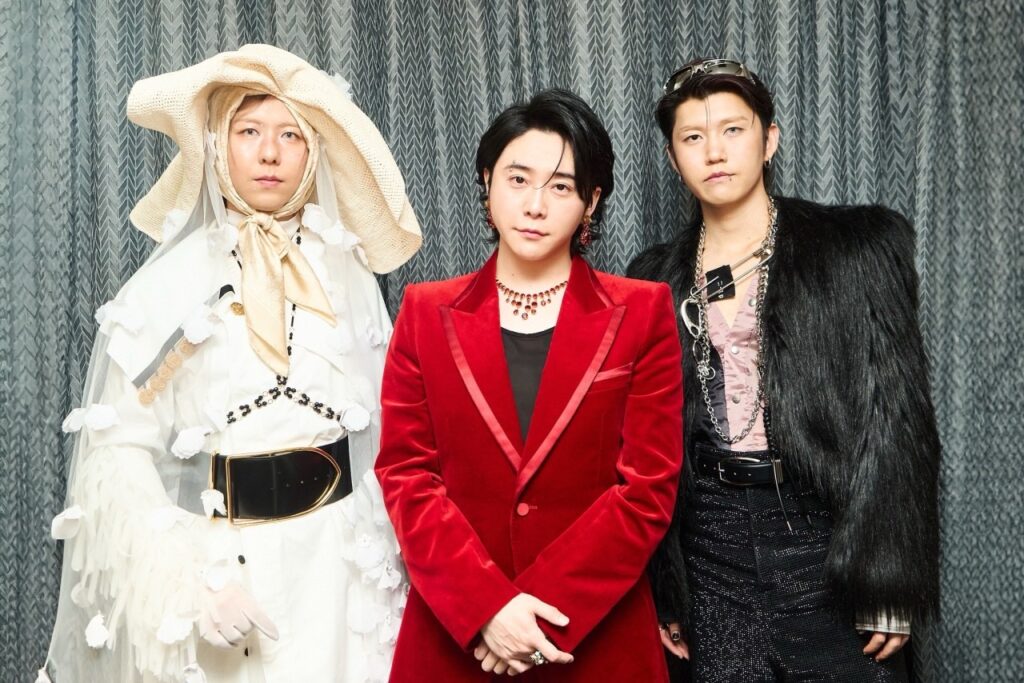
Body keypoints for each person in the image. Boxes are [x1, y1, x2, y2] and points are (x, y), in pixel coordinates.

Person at [41, 44, 421, 683]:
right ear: (218, 145)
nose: (270, 153)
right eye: (249, 132)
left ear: (313, 153)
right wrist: (187, 584)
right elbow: (116, 452)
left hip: (341, 573)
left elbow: (390, 435)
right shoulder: (167, 286)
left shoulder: (347, 274)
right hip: (224, 570)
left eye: (290, 135)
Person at [628, 58, 941, 681]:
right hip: (711, 549)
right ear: (673, 158)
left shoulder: (857, 249)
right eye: (693, 137)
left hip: (827, 537)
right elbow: (646, 444)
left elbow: (896, 419)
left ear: (769, 139)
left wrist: (890, 576)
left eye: (733, 130)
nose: (714, 151)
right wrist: (669, 587)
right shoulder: (653, 279)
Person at [375, 89, 684, 681]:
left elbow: (647, 489)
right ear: (487, 182)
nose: (535, 205)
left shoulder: (643, 311)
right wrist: (487, 607)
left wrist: (534, 618)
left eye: (561, 187)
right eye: (518, 179)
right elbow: (406, 474)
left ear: (592, 201)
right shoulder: (424, 312)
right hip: (457, 636)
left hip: (595, 637)